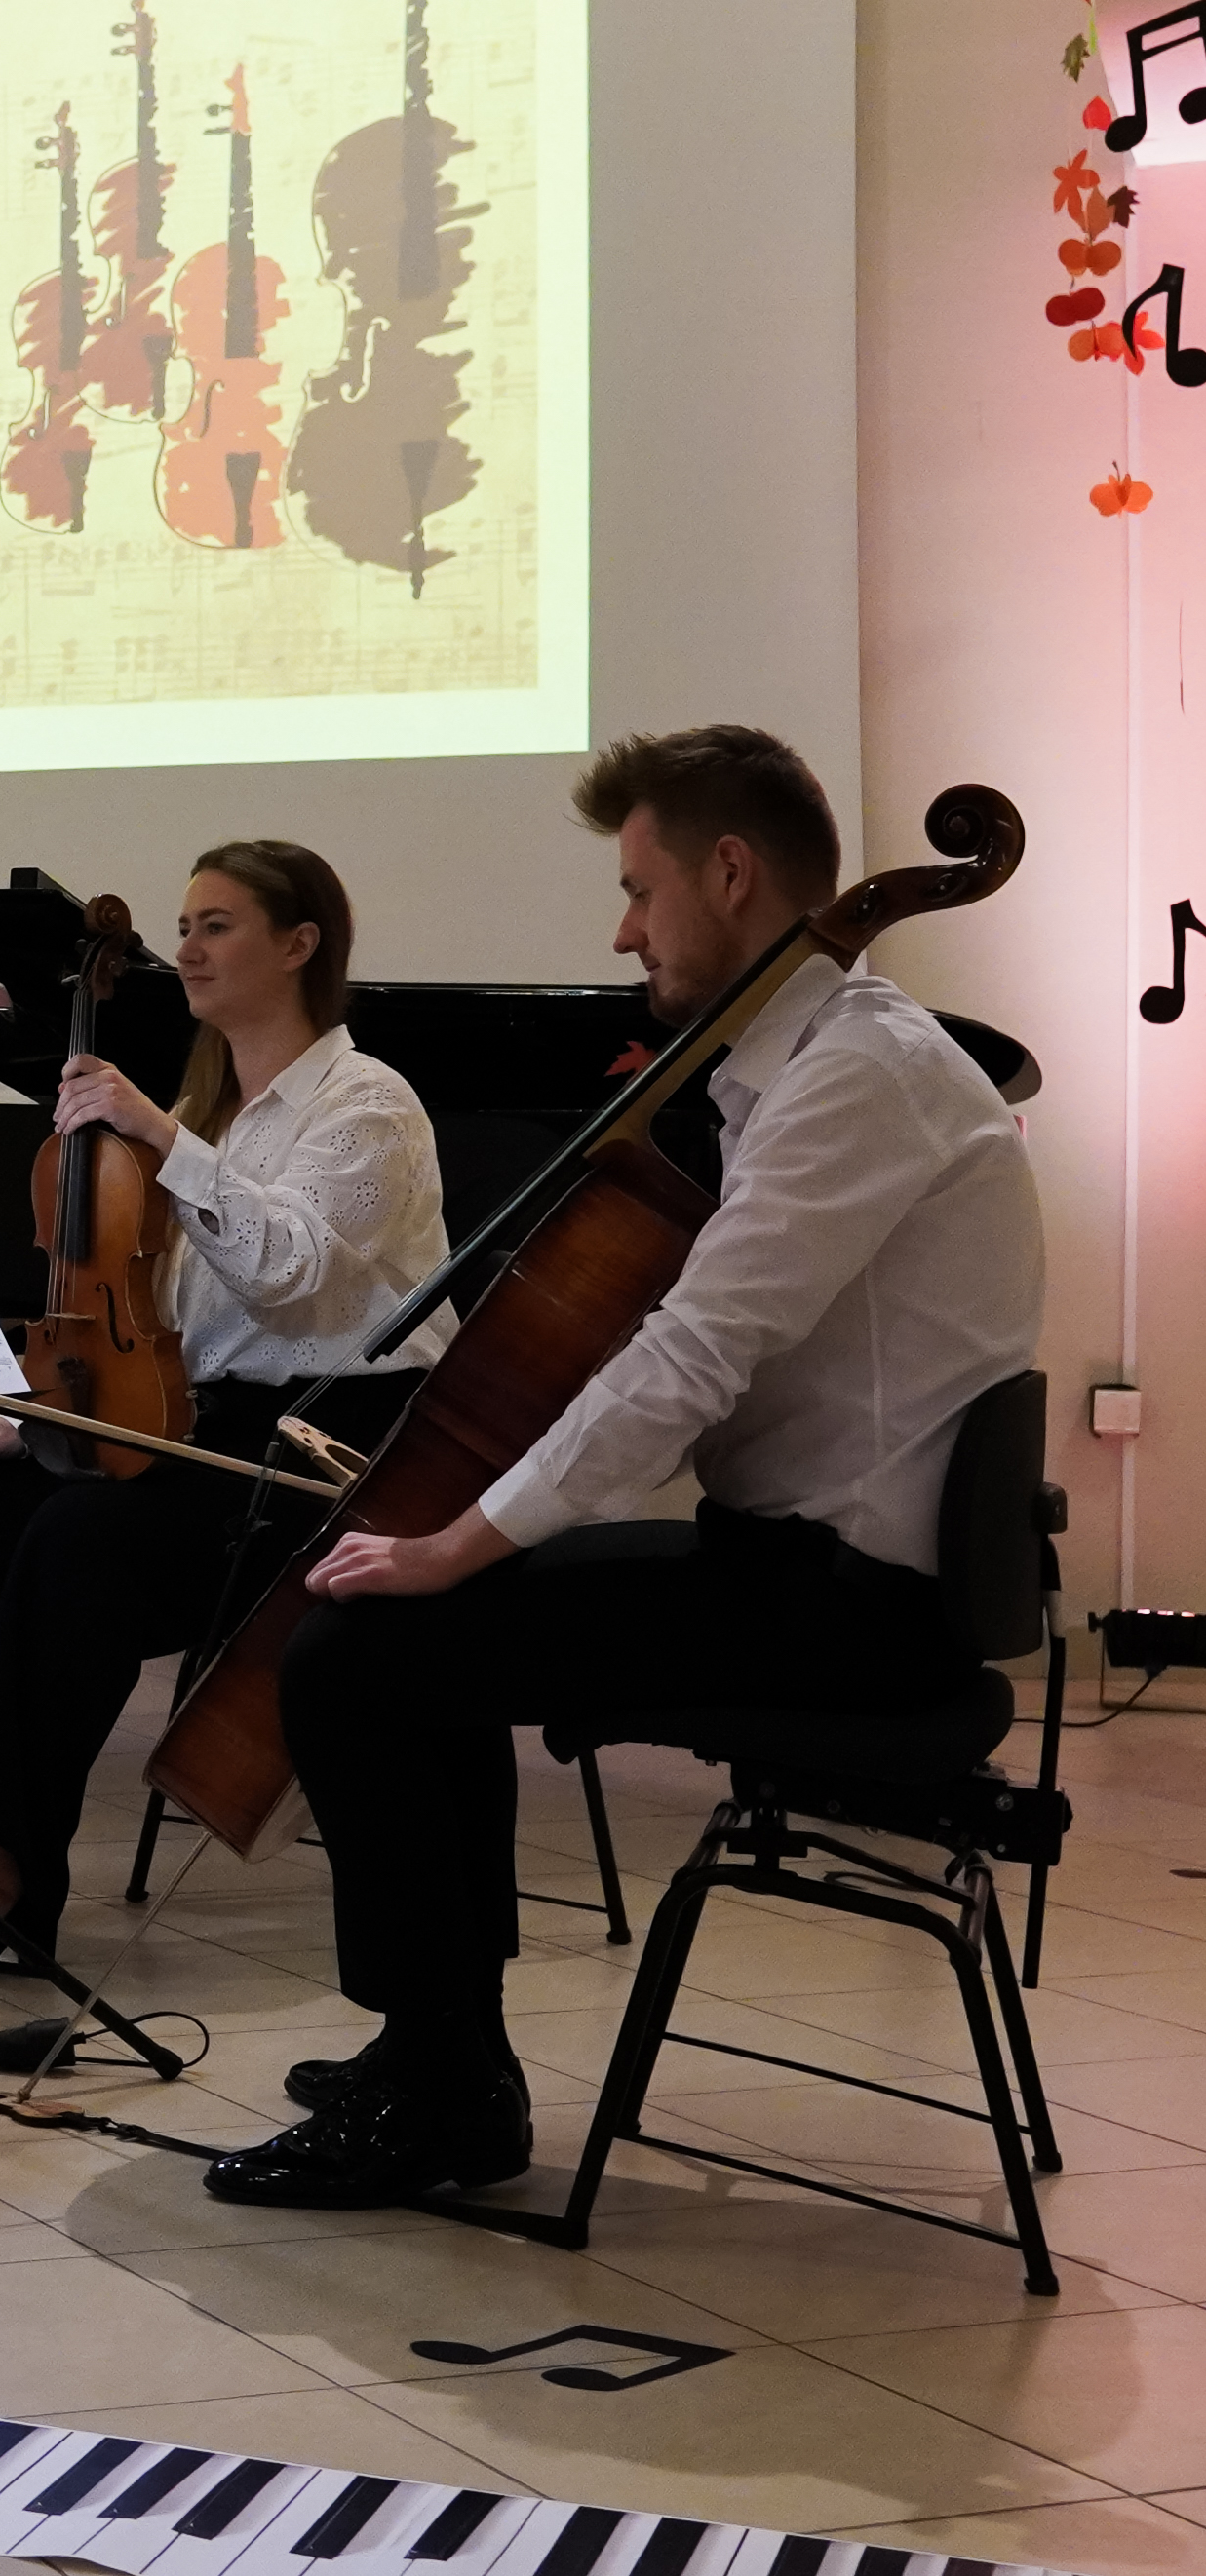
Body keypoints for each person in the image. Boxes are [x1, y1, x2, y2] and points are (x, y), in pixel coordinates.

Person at [204, 726, 1046, 2209]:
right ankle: (444, 2048)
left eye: (638, 890)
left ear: (729, 873)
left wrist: (462, 1535)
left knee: (362, 1650)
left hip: (849, 1600)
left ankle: (441, 2087)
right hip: (809, 1566)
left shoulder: (860, 1074)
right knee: (406, 1633)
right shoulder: (804, 1069)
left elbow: (694, 1359)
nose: (623, 931)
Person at [0, 843, 454, 1980]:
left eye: (216, 925)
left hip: (341, 1451)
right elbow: (158, 1332)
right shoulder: (223, 1117)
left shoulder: (368, 1102)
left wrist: (161, 1135)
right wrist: (43, 1420)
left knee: (79, 1541)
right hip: (212, 1427)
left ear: (298, 944)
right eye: (185, 925)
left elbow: (290, 1275)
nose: (187, 950)